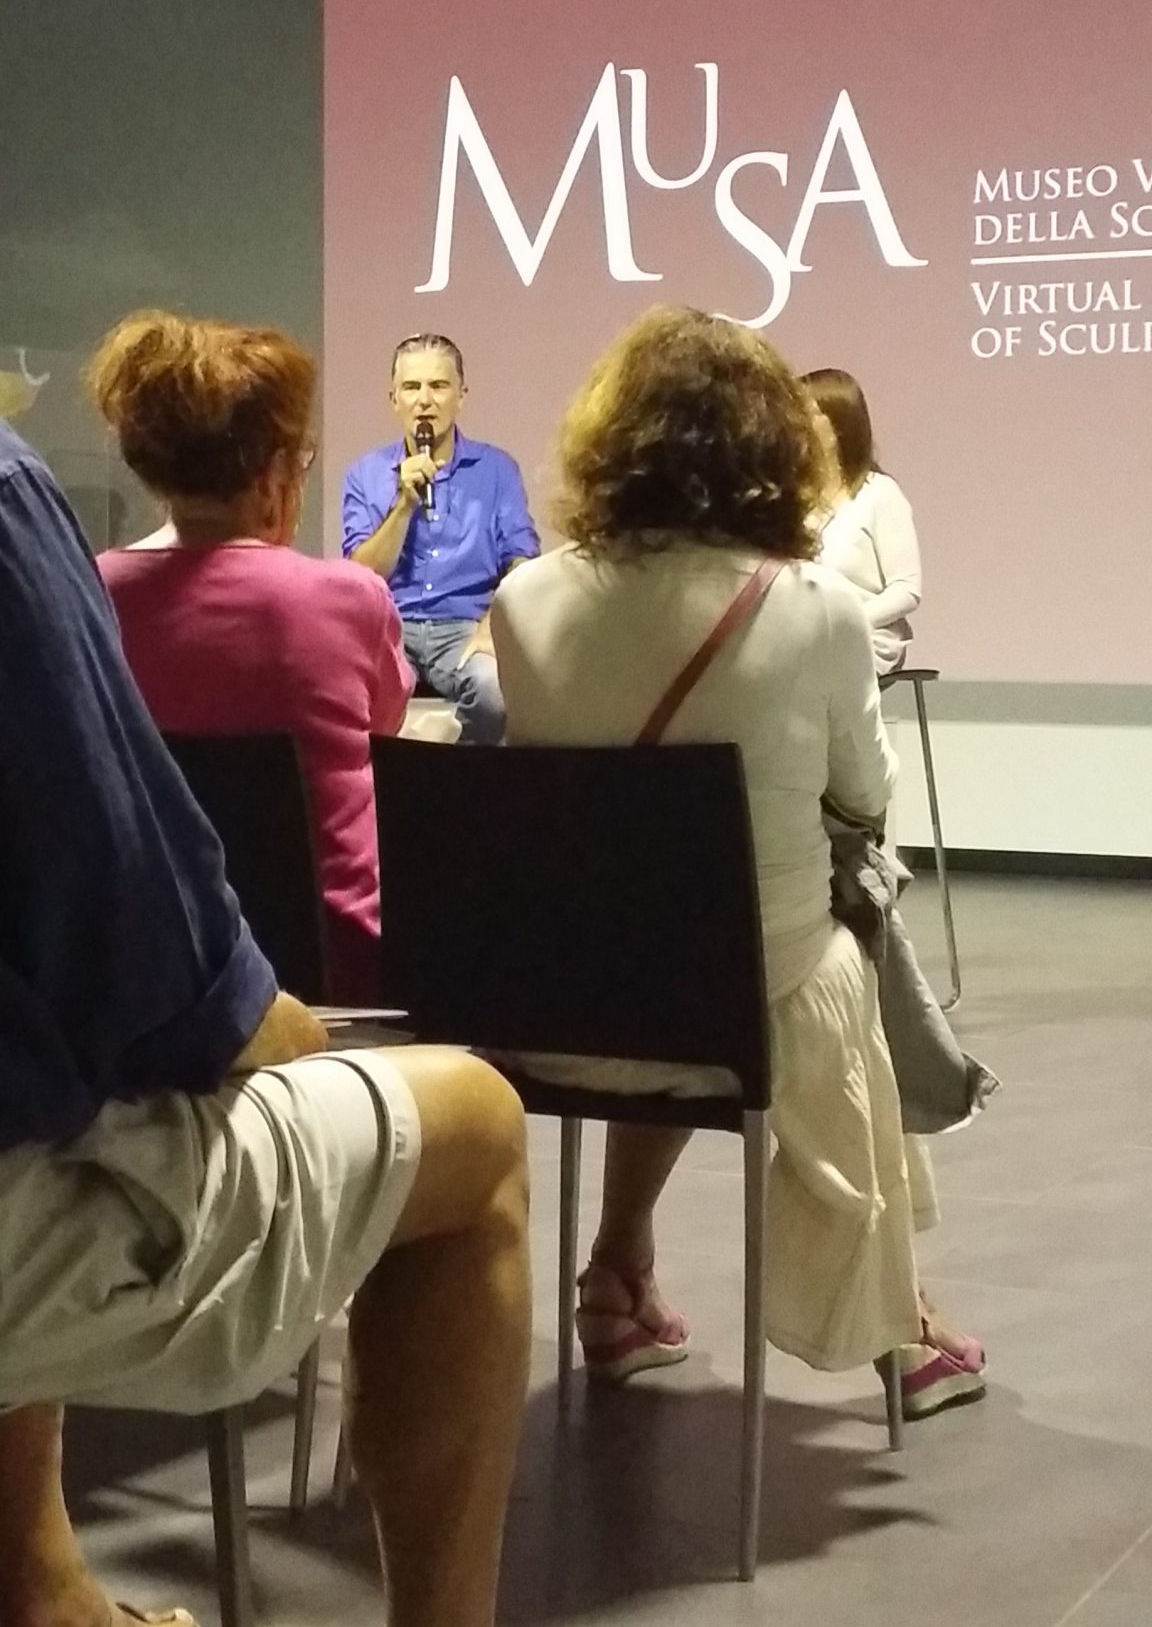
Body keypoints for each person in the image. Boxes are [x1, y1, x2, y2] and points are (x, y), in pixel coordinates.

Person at [0, 417, 530, 1627]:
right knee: (477, 1123)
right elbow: (155, 959)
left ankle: (43, 1580)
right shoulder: (333, 594)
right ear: (281, 477)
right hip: (304, 973)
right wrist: (263, 1019)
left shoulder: (106, 582)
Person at [492, 307, 984, 1418]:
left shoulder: (525, 598)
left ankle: (617, 1275)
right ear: (774, 444)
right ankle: (898, 1323)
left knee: (669, 936)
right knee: (830, 953)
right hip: (737, 1008)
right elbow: (866, 800)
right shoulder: (815, 608)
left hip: (559, 1005)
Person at [91, 311, 413, 1005]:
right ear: (272, 470)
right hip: (336, 979)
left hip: (152, 980)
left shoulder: (89, 594)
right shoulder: (349, 597)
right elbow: (385, 734)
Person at [343, 333, 539, 744]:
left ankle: (451, 777)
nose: (424, 400)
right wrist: (403, 504)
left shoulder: (496, 469)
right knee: (345, 698)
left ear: (461, 396)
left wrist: (493, 626)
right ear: (394, 399)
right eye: (411, 387)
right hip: (390, 628)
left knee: (495, 697)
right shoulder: (366, 473)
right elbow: (361, 574)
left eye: (438, 385)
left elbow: (522, 561)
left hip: (465, 627)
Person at [801, 367, 921, 675]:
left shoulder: (880, 493)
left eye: (807, 413)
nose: (793, 424)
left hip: (865, 635)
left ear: (838, 425)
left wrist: (846, 622)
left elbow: (906, 590)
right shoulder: (793, 495)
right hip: (802, 631)